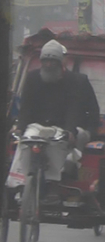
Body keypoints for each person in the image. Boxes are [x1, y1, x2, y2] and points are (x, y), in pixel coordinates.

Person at [8, 40, 94, 190]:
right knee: (25, 143)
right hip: (35, 126)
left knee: (57, 146)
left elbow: (73, 109)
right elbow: (26, 107)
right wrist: (20, 128)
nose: (48, 65)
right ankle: (21, 183)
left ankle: (53, 184)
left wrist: (69, 130)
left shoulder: (73, 81)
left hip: (60, 127)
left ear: (60, 62)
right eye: (45, 61)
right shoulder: (32, 78)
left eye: (52, 61)